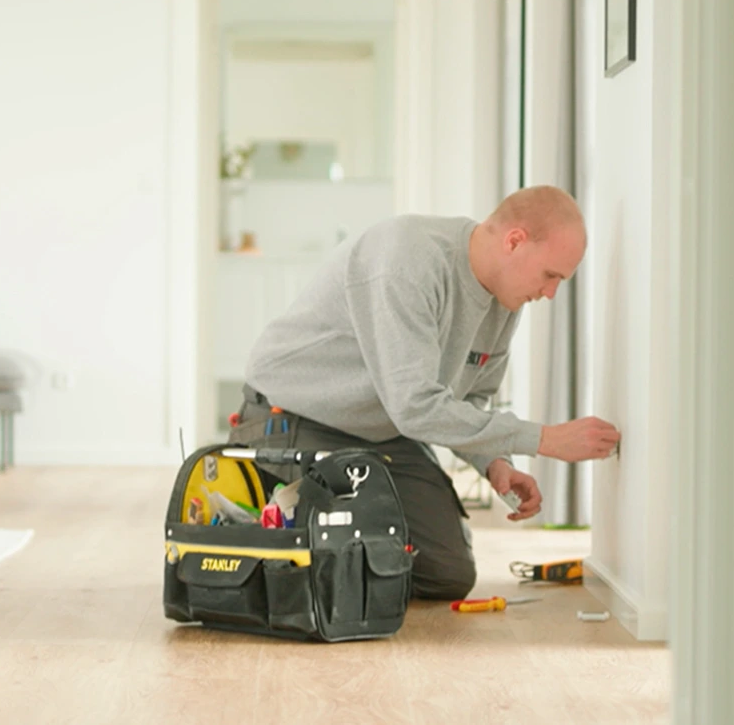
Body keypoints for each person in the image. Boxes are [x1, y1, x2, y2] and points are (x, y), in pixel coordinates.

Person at [230, 185, 621, 599]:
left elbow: (467, 400)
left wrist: (494, 462)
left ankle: (325, 547)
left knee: (447, 573)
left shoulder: (505, 302)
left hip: (381, 429)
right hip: (294, 417)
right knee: (332, 542)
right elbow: (415, 407)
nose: (550, 293)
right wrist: (545, 440)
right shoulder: (406, 262)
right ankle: (260, 529)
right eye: (550, 276)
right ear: (514, 241)